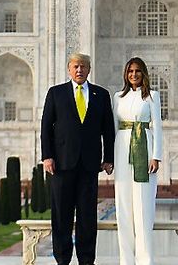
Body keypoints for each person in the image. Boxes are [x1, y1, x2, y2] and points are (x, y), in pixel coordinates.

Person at [41, 53, 115, 265]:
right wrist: (47, 156)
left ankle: (86, 260)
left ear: (89, 69)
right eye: (75, 66)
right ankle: (62, 259)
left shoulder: (100, 94)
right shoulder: (56, 93)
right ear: (69, 69)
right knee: (61, 215)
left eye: (83, 66)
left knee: (87, 217)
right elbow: (46, 127)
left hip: (89, 165)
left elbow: (108, 130)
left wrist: (108, 157)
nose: (79, 70)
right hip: (62, 164)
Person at [112, 57, 163, 265]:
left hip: (144, 147)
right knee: (123, 207)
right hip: (122, 148)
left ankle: (145, 261)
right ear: (126, 74)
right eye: (130, 71)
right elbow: (114, 127)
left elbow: (157, 126)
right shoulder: (118, 97)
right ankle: (126, 261)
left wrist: (156, 156)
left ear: (143, 74)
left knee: (143, 208)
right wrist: (110, 157)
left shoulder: (152, 96)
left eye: (138, 71)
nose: (134, 74)